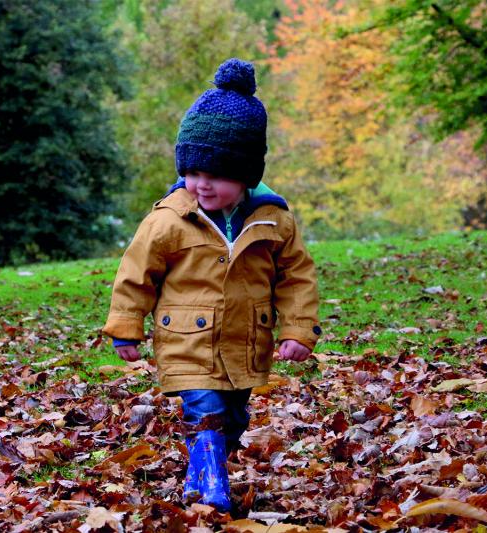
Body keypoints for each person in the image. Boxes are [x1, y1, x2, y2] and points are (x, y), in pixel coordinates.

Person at [102, 58, 321, 512]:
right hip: (186, 340)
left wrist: (298, 331)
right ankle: (214, 490)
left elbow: (296, 277)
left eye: (216, 175)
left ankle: (199, 477)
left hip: (245, 344)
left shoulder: (273, 219)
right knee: (207, 412)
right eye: (193, 172)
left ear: (245, 174)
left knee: (235, 418)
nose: (201, 184)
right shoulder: (169, 219)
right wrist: (126, 324)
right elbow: (136, 271)